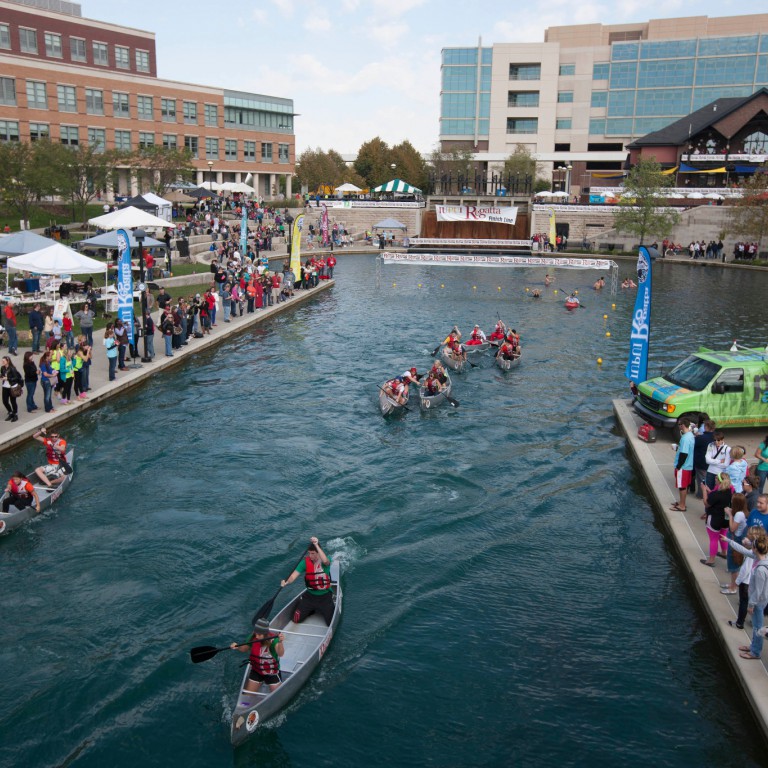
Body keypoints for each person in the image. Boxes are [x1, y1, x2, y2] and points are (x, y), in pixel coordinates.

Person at [281, 537, 335, 625]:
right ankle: (310, 609)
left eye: (313, 553)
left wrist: (316, 544)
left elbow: (326, 561)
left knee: (330, 623)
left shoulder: (325, 561)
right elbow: (293, 576)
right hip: (310, 597)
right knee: (296, 620)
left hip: (325, 597)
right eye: (309, 553)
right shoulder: (304, 563)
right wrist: (286, 582)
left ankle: (322, 608)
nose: (310, 556)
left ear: (318, 552)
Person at [230, 618, 286, 693]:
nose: (256, 636)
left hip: (271, 672)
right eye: (256, 633)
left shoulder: (274, 640)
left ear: (265, 634)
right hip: (257, 671)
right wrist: (237, 647)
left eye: (259, 634)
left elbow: (280, 654)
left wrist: (280, 642)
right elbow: (245, 649)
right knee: (247, 698)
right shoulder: (253, 637)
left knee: (278, 695)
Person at [738, 534, 768, 660]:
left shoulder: (761, 569)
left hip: (758, 602)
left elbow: (758, 590)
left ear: (755, 549)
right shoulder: (763, 561)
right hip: (760, 600)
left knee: (757, 627)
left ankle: (755, 652)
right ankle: (753, 646)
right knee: (757, 626)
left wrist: (751, 605)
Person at [700, 473, 732, 567]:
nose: (715, 479)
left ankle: (711, 560)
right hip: (725, 519)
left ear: (719, 481)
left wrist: (704, 491)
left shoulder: (716, 494)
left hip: (714, 519)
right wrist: (710, 491)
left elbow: (707, 503)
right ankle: (724, 553)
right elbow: (717, 499)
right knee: (723, 535)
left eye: (716, 478)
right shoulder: (729, 491)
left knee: (713, 539)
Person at [722, 492, 749, 593]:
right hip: (735, 538)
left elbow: (732, 528)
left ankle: (733, 588)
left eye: (733, 500)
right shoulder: (742, 512)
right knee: (734, 564)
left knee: (733, 565)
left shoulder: (739, 514)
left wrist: (729, 515)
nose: (731, 501)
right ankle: (732, 584)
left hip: (735, 539)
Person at [670, 417, 695, 511]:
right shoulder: (690, 435)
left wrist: (678, 466)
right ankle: (681, 502)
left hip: (683, 467)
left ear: (683, 425)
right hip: (688, 466)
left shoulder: (685, 439)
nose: (678, 426)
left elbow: (684, 454)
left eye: (679, 424)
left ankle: (682, 506)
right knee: (684, 486)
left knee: (682, 487)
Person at [693, 419, 716, 499]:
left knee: (701, 480)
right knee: (710, 480)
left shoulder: (701, 438)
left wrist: (696, 436)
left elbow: (693, 445)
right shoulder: (716, 437)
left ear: (706, 427)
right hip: (713, 463)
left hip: (701, 463)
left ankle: (701, 495)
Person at [0, 355, 22, 422]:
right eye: (2, 361)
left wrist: (8, 378)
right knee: (5, 401)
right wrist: (1, 376)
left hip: (12, 387)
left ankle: (15, 414)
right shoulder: (2, 368)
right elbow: (2, 374)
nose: (2, 362)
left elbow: (16, 377)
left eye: (4, 361)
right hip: (5, 386)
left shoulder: (12, 368)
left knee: (13, 401)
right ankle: (10, 412)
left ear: (8, 361)